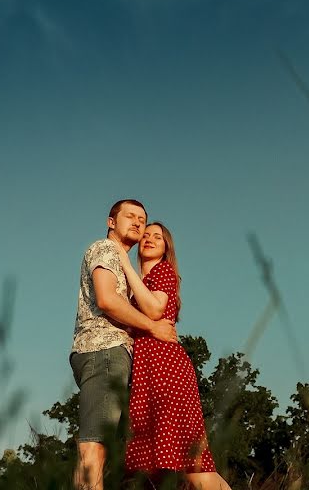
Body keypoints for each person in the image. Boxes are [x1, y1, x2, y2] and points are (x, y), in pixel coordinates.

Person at [70, 199, 178, 490]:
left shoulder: (123, 262)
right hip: (103, 350)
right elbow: (107, 300)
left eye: (141, 219)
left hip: (105, 353)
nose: (137, 223)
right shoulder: (105, 249)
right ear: (110, 222)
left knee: (98, 445)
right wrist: (153, 326)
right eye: (129, 216)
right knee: (94, 445)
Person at [116, 222, 233, 490]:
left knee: (191, 461)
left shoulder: (164, 272)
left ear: (167, 247)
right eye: (145, 234)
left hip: (166, 369)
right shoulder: (144, 281)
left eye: (158, 236)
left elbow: (155, 310)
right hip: (149, 373)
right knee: (156, 465)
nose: (149, 238)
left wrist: (123, 261)